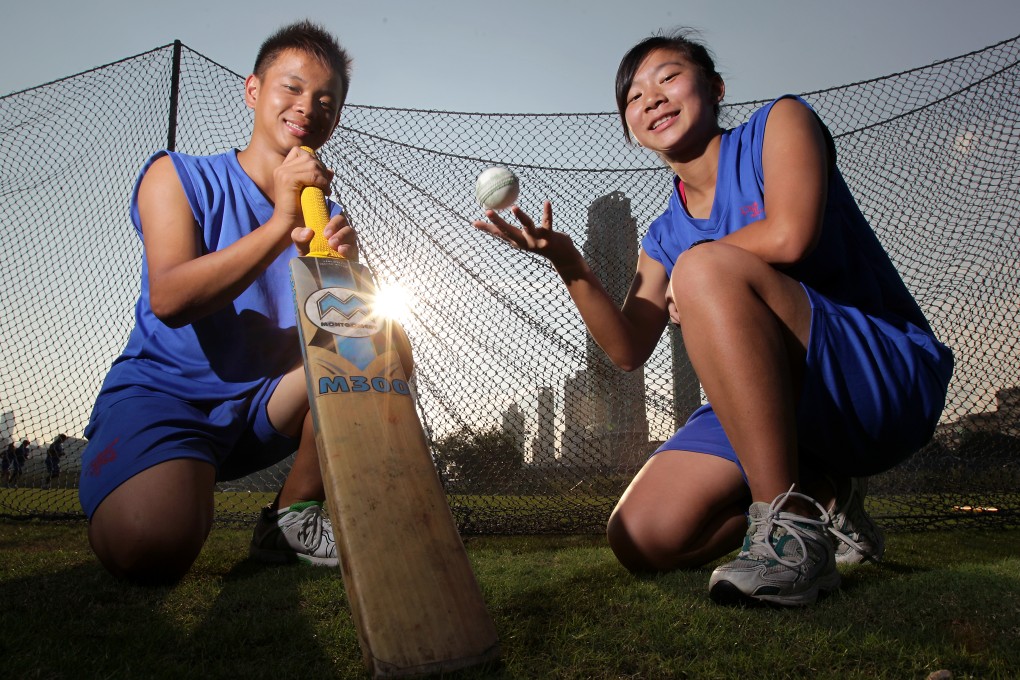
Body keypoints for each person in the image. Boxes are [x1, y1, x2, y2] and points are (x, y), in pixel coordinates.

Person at [473, 29, 953, 607]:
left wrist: (693, 272)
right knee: (642, 536)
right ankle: (822, 495)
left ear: (716, 86)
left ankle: (790, 539)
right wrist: (568, 262)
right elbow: (627, 349)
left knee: (703, 268)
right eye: (633, 96)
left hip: (875, 378)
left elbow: (791, 233)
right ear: (629, 126)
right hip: (771, 403)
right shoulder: (665, 235)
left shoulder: (781, 124)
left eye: (668, 77)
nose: (650, 98)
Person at [79, 20, 385, 585]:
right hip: (167, 401)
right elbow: (170, 298)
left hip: (262, 412)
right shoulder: (177, 175)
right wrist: (279, 224)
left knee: (384, 340)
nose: (306, 107)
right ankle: (146, 473)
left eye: (325, 100)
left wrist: (347, 273)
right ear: (253, 90)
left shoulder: (323, 215)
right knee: (152, 544)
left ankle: (290, 516)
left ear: (335, 119)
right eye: (290, 88)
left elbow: (353, 347)